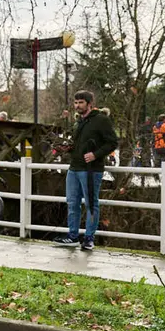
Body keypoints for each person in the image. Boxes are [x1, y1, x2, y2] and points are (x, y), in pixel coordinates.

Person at [53, 90, 117, 251]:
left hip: (91, 170)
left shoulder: (101, 120)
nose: (77, 105)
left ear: (90, 104)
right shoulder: (78, 122)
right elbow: (78, 144)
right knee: (72, 203)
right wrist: (67, 148)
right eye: (75, 102)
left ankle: (89, 238)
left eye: (81, 102)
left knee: (91, 203)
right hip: (74, 167)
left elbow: (112, 143)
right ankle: (72, 236)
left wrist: (95, 155)